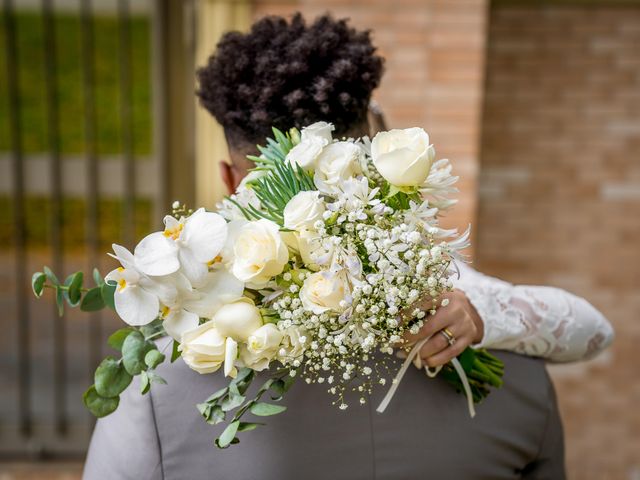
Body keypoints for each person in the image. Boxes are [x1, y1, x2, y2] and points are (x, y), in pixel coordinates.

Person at [83, 14, 613, 479]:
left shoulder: (167, 375)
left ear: (230, 178)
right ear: (367, 157)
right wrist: (483, 315)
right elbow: (592, 332)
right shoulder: (487, 336)